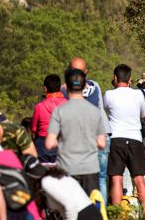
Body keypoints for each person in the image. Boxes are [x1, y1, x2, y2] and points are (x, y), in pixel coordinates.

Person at [46, 68, 107, 195]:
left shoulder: (59, 111)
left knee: (69, 209)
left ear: (66, 87)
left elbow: (49, 143)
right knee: (90, 207)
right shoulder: (95, 111)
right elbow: (102, 143)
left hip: (67, 167)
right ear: (84, 86)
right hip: (90, 167)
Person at [103, 64, 145, 217]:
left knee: (116, 179)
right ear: (130, 79)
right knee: (139, 179)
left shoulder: (108, 94)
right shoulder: (138, 95)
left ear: (115, 78)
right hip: (135, 139)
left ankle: (117, 215)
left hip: (116, 139)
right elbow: (144, 114)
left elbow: (104, 111)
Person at [63, 57, 110, 201]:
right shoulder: (95, 86)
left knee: (75, 176)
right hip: (101, 134)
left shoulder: (64, 89)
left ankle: (81, 209)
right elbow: (100, 109)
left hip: (80, 139)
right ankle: (100, 211)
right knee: (101, 177)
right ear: (86, 72)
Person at [31, 74, 66, 162]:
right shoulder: (68, 105)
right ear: (59, 87)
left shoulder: (39, 106)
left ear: (45, 88)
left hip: (43, 145)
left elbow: (34, 129)